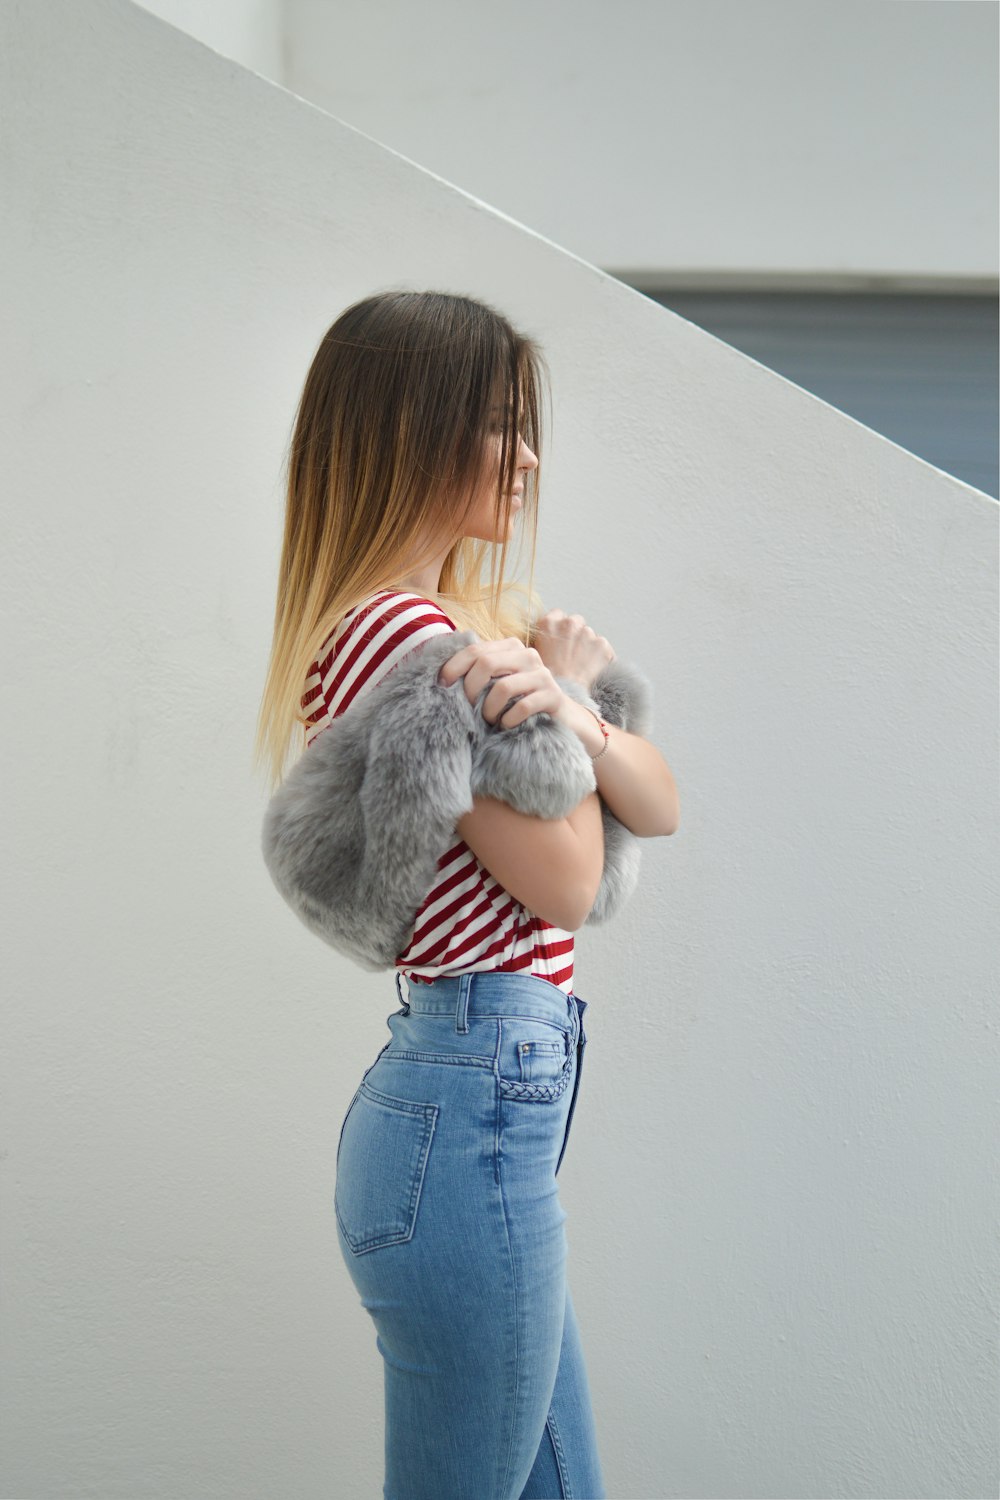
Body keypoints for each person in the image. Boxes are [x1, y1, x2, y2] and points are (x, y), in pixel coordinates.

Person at [254, 289, 680, 1499]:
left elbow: (661, 803)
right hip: (473, 1107)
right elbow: (570, 882)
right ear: (410, 430)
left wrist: (566, 707)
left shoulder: (441, 630)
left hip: (471, 1111)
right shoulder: (413, 638)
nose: (530, 456)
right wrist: (559, 697)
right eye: (501, 424)